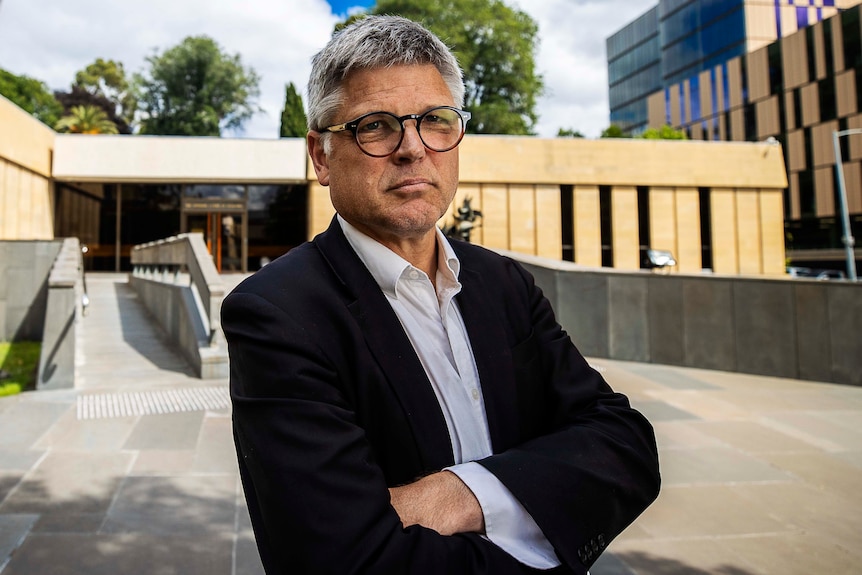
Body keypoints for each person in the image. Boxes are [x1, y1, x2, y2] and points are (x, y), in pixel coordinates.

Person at [222, 15, 660, 575]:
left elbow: (625, 445)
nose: (413, 148)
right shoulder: (277, 315)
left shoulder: (505, 284)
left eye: (434, 120)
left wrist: (461, 493)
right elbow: (343, 561)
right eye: (376, 125)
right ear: (322, 156)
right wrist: (544, 512)